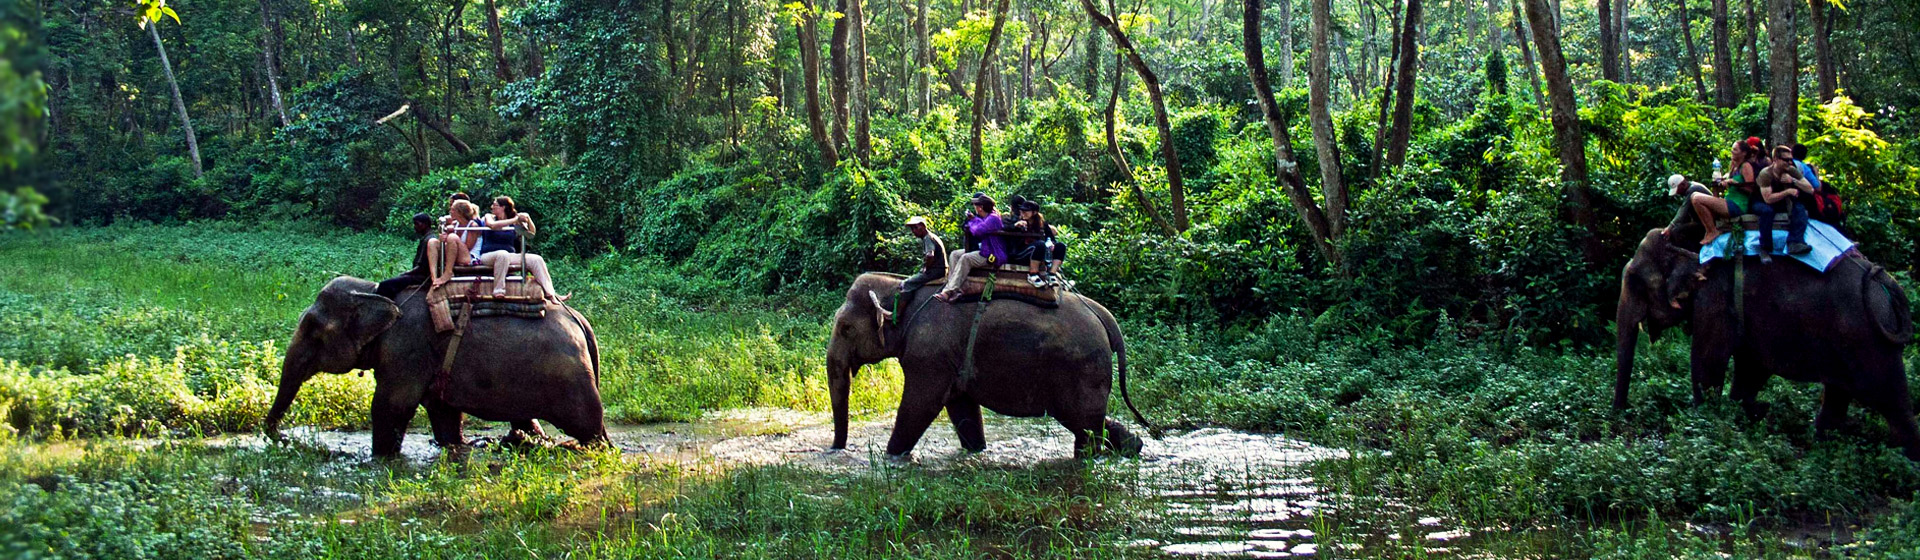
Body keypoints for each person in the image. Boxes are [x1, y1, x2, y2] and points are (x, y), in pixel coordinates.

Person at [476, 196, 570, 304]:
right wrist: (515, 219)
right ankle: (498, 290)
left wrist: (528, 219)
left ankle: (551, 294)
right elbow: (492, 226)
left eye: (495, 205)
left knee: (536, 259)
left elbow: (531, 234)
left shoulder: (513, 221)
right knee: (502, 254)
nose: (492, 207)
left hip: (509, 256)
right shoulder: (490, 217)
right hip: (489, 256)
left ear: (503, 207)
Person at [1689, 137, 1769, 244]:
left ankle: (1712, 231)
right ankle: (1709, 230)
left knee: (1697, 198)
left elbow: (1750, 189)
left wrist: (1734, 183)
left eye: (1735, 150)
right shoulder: (1733, 166)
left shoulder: (1746, 166)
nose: (1732, 152)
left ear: (1743, 153)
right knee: (1694, 196)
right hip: (1729, 200)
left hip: (1738, 204)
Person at [935, 195, 1006, 302]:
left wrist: (972, 222)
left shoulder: (993, 218)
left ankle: (948, 291)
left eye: (975, 205)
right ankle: (954, 288)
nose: (974, 207)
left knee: (966, 258)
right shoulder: (986, 217)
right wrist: (974, 220)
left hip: (991, 253)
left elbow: (978, 231)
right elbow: (973, 226)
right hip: (983, 250)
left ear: (980, 207)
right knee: (955, 254)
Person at [1755, 144, 1814, 259]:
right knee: (1767, 211)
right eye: (1786, 160)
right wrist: (1787, 192)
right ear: (1776, 159)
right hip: (1760, 201)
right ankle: (1765, 248)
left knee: (1799, 207)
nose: (1789, 162)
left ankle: (1795, 242)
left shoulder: (1791, 170)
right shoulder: (1766, 173)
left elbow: (1810, 189)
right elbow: (1768, 199)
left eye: (1791, 159)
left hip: (1780, 201)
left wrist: (1793, 180)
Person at [375, 213, 437, 299]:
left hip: (421, 277)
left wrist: (405, 273)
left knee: (385, 285)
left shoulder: (428, 240)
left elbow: (422, 267)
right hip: (420, 274)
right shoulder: (427, 238)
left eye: (417, 224)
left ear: (425, 224)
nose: (415, 227)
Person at [430, 199, 482, 289]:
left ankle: (448, 272)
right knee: (432, 242)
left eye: (453, 209)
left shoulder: (473, 226)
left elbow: (468, 247)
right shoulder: (455, 224)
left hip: (468, 257)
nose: (450, 211)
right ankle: (434, 277)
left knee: (452, 237)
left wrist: (449, 238)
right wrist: (443, 238)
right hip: (457, 254)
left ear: (459, 212)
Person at [1007, 199, 1056, 287]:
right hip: (1019, 254)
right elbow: (1004, 227)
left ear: (1034, 212)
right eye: (1022, 210)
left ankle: (1052, 274)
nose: (1023, 213)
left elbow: (1051, 238)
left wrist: (1052, 244)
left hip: (1038, 254)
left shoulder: (1042, 224)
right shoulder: (1016, 220)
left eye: (1026, 211)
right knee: (1040, 244)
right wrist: (1015, 226)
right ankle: (1033, 274)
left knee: (1061, 246)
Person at [897, 216, 947, 298]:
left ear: (923, 226)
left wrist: (926, 268)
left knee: (907, 283)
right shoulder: (930, 237)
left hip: (936, 271)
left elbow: (930, 255)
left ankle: (899, 311)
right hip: (939, 269)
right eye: (912, 229)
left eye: (915, 228)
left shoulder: (928, 238)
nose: (914, 231)